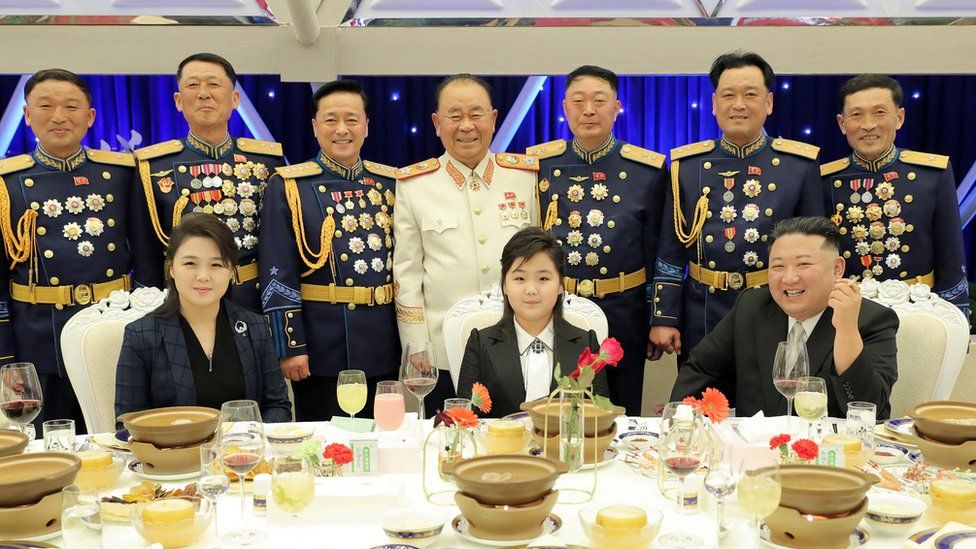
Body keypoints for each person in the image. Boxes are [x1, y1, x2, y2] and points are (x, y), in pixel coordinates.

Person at [650, 51, 824, 379]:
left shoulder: (799, 165)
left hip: (776, 306)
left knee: (769, 408)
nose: (739, 104)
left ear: (769, 102)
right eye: (728, 95)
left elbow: (814, 251)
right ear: (714, 103)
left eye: (750, 95)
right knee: (703, 407)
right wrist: (664, 316)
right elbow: (670, 249)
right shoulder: (685, 167)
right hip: (702, 309)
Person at [0, 68, 143, 430]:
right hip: (39, 339)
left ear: (90, 116)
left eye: (71, 106)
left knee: (120, 436)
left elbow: (147, 261)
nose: (59, 116)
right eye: (45, 106)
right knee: (49, 444)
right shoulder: (7, 183)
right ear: (28, 116)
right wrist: (5, 359)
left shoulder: (122, 173)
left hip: (114, 326)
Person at [526, 65, 666, 415]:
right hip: (558, 308)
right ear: (564, 107)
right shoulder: (537, 165)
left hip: (623, 309)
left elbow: (659, 249)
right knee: (555, 407)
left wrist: (658, 316)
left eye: (599, 101)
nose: (589, 110)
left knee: (619, 409)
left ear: (616, 107)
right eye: (579, 101)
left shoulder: (646, 170)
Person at [394, 74, 539, 412]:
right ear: (436, 123)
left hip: (517, 340)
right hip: (444, 349)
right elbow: (407, 273)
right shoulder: (415, 185)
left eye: (476, 114)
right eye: (454, 115)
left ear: (493, 119)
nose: (466, 126)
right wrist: (417, 346)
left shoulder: (524, 177)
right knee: (450, 445)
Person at [259, 80, 399, 420]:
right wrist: (290, 346)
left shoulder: (390, 182)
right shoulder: (289, 186)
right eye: (330, 120)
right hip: (322, 346)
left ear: (367, 125)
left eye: (352, 119)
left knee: (383, 439)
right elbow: (277, 271)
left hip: (383, 339)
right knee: (324, 446)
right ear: (314, 126)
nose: (342, 130)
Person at [670, 216, 898, 419]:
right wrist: (681, 423)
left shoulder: (872, 319)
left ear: (837, 268)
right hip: (756, 455)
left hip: (828, 458)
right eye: (778, 266)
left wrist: (846, 329)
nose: (789, 279)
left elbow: (870, 410)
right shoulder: (752, 306)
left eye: (804, 264)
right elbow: (701, 370)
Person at [131, 52, 285, 312]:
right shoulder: (153, 166)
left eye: (214, 84)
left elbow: (280, 248)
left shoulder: (267, 161)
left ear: (235, 99)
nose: (203, 94)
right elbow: (146, 254)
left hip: (254, 303)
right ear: (178, 101)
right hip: (185, 304)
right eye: (193, 85)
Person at [116, 213, 291, 423]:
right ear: (171, 268)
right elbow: (127, 421)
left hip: (242, 451)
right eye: (190, 263)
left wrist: (251, 441)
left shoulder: (255, 327)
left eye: (216, 265)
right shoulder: (141, 335)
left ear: (230, 271)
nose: (203, 276)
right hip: (174, 453)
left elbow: (277, 405)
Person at [822, 74, 968, 317]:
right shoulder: (824, 179)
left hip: (919, 310)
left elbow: (951, 255)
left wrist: (955, 321)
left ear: (899, 117)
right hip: (850, 313)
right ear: (842, 123)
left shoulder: (932, 173)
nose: (868, 125)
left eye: (879, 112)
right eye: (856, 115)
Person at [457, 228, 609, 418]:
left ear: (561, 285)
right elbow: (464, 418)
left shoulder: (585, 343)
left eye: (543, 278)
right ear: (504, 284)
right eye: (519, 278)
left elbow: (599, 416)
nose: (531, 290)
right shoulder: (481, 342)